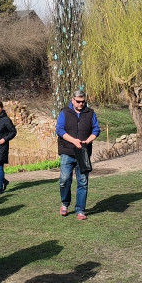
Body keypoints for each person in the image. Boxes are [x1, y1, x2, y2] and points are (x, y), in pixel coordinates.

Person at [56, 88, 99, 220]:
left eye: (83, 102)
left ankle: (80, 210)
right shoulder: (64, 112)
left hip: (83, 153)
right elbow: (59, 130)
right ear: (72, 100)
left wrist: (88, 140)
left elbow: (96, 129)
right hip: (67, 151)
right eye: (78, 101)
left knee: (83, 182)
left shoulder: (90, 113)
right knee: (64, 180)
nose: (81, 104)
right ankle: (65, 203)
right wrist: (74, 141)